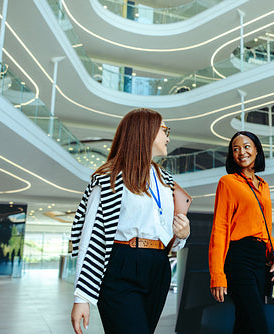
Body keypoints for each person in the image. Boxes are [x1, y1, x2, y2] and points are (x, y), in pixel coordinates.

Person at [70, 108, 190, 334]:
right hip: (122, 265)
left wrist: (182, 235)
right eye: (165, 129)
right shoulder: (109, 177)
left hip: (158, 266)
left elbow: (165, 232)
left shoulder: (166, 180)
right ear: (146, 131)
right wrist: (81, 296)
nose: (168, 136)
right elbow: (92, 236)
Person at [209, 131, 274, 333]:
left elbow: (266, 230)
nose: (241, 152)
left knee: (245, 322)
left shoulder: (264, 186)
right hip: (238, 258)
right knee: (257, 322)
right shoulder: (227, 182)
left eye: (246, 146)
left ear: (257, 150)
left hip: (260, 259)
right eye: (235, 149)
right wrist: (217, 275)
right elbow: (220, 228)